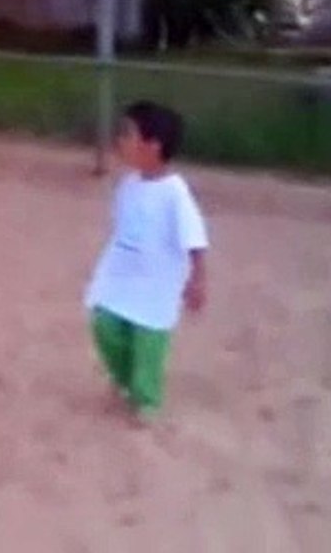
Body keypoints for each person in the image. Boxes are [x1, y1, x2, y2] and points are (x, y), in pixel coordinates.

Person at [85, 100, 208, 424]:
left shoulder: (175, 193)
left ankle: (146, 397)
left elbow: (194, 239)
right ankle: (123, 377)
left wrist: (197, 279)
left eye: (128, 134)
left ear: (152, 146)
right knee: (104, 323)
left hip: (156, 283)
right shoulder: (128, 185)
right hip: (122, 275)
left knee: (148, 342)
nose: (120, 141)